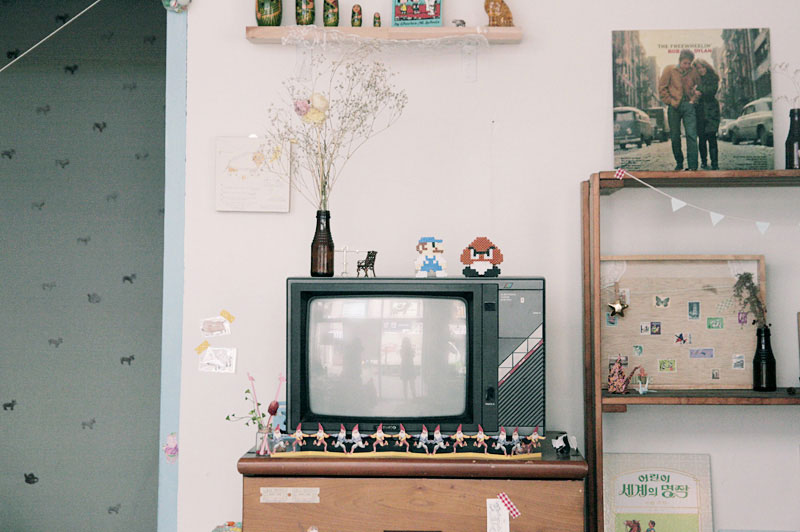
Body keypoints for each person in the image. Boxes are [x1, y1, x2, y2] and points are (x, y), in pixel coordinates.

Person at [658, 49, 700, 170]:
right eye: (685, 63)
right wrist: (670, 102)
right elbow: (662, 88)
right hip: (674, 107)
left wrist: (693, 100)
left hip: (688, 106)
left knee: (691, 135)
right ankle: (679, 162)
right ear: (679, 61)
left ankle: (693, 166)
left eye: (689, 63)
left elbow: (699, 87)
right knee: (675, 136)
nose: (687, 66)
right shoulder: (669, 70)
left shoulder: (693, 72)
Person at [693, 58, 721, 170]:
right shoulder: (695, 79)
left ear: (706, 67)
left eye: (702, 67)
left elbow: (711, 91)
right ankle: (704, 161)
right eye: (698, 68)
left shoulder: (713, 78)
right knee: (702, 138)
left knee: (712, 137)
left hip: (711, 111)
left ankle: (715, 163)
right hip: (699, 112)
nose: (701, 70)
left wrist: (698, 90)